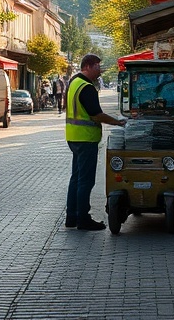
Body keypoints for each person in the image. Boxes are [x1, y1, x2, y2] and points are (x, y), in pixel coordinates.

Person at [65, 53, 126, 231]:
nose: (100, 70)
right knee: (85, 181)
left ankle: (72, 217)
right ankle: (83, 219)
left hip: (73, 137)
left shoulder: (74, 83)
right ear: (88, 66)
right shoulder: (87, 87)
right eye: (98, 66)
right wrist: (117, 122)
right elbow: (95, 114)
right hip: (86, 139)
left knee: (76, 178)